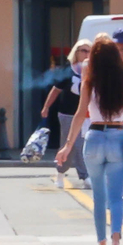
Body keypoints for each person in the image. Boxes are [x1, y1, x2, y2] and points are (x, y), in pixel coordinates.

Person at [56, 34, 123, 245]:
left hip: (93, 137)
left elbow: (79, 114)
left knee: (98, 198)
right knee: (116, 197)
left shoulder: (90, 81)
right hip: (117, 137)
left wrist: (67, 146)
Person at [40, 40, 89, 175]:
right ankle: (64, 171)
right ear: (76, 53)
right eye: (84, 51)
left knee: (83, 145)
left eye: (89, 51)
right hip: (68, 114)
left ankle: (84, 174)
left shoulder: (93, 71)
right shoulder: (68, 71)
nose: (87, 54)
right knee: (71, 145)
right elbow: (55, 91)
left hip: (88, 115)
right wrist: (46, 107)